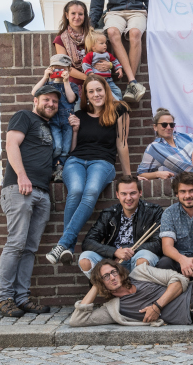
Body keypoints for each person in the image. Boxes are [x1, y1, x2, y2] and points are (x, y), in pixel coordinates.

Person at [46, 75, 132, 265]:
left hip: (103, 162)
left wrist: (128, 176)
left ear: (106, 90)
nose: (96, 94)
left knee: (91, 191)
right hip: (76, 160)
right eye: (91, 91)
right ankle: (67, 248)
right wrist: (75, 130)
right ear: (86, 94)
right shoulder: (81, 115)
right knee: (75, 191)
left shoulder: (119, 110)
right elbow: (73, 149)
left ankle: (63, 244)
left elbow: (122, 144)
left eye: (99, 90)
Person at [0, 85, 58, 317]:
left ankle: (22, 297)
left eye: (54, 101)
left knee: (30, 248)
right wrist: (22, 175)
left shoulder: (49, 128)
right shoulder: (24, 116)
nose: (50, 104)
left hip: (42, 193)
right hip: (20, 188)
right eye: (46, 99)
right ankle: (5, 298)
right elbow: (11, 145)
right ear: (36, 100)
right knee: (16, 244)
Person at [77, 175, 163, 278]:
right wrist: (114, 252)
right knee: (85, 259)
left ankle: (137, 291)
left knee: (144, 259)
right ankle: (109, 290)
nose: (128, 198)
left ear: (140, 193)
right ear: (117, 195)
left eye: (132, 193)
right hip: (113, 259)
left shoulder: (153, 211)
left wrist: (128, 250)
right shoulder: (109, 214)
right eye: (124, 194)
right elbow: (88, 242)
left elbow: (159, 243)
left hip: (137, 256)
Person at [31, 54, 81, 181]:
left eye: (62, 69)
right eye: (56, 69)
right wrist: (45, 77)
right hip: (53, 121)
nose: (59, 72)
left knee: (66, 148)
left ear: (69, 70)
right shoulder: (47, 84)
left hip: (67, 121)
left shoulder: (71, 85)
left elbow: (71, 98)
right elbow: (34, 93)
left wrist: (66, 81)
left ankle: (60, 169)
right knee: (57, 146)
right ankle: (53, 166)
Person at [53, 0, 110, 83]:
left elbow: (104, 55)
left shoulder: (93, 35)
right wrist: (89, 78)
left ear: (84, 16)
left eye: (80, 14)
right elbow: (65, 67)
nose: (77, 17)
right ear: (67, 15)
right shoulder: (60, 39)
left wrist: (109, 65)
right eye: (73, 13)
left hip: (99, 81)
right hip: (75, 85)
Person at [81, 31, 124, 100]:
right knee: (110, 95)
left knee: (118, 92)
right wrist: (91, 74)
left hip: (109, 80)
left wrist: (119, 68)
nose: (105, 45)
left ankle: (119, 105)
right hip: (98, 81)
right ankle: (117, 106)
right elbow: (85, 64)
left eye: (105, 43)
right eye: (102, 43)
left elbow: (115, 61)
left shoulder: (107, 54)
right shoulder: (91, 55)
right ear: (93, 46)